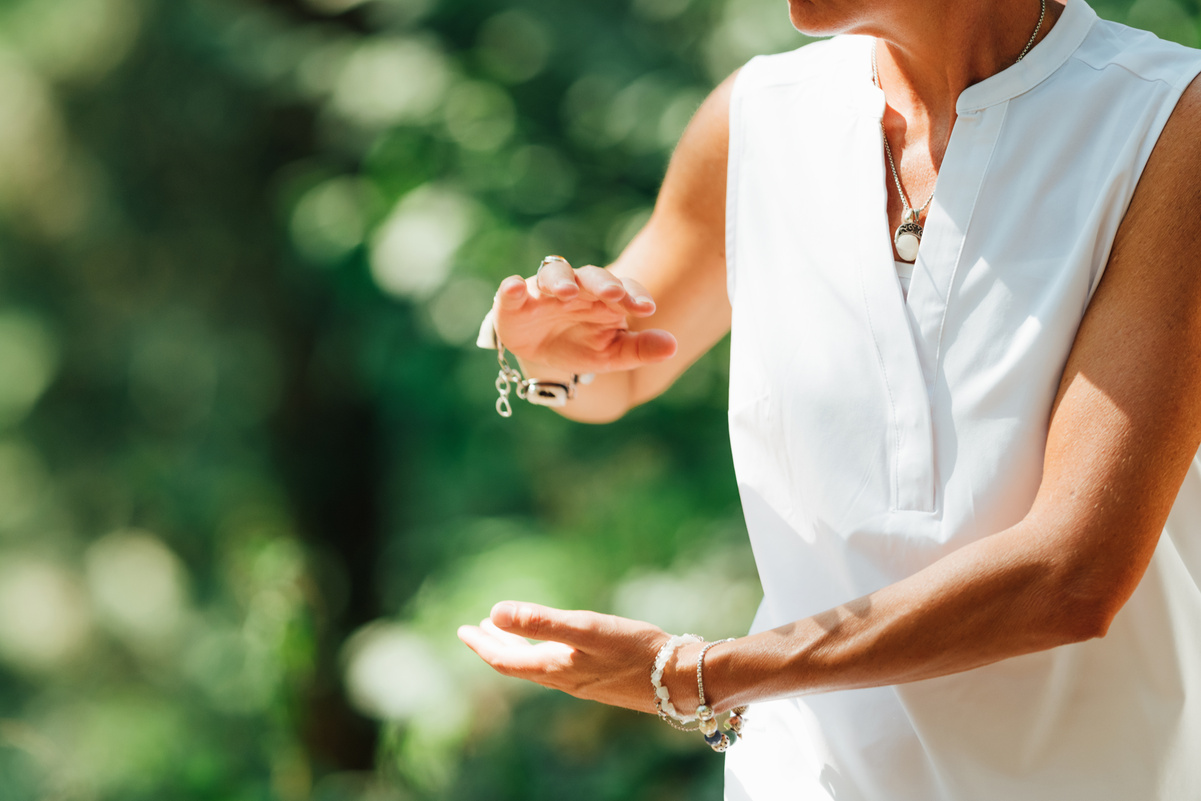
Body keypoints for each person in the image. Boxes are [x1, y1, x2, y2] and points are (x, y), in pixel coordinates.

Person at [458, 0, 1201, 797]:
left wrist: (703, 674)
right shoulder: (757, 117)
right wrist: (548, 354)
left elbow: (1071, 577)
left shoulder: (1166, 123)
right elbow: (620, 374)